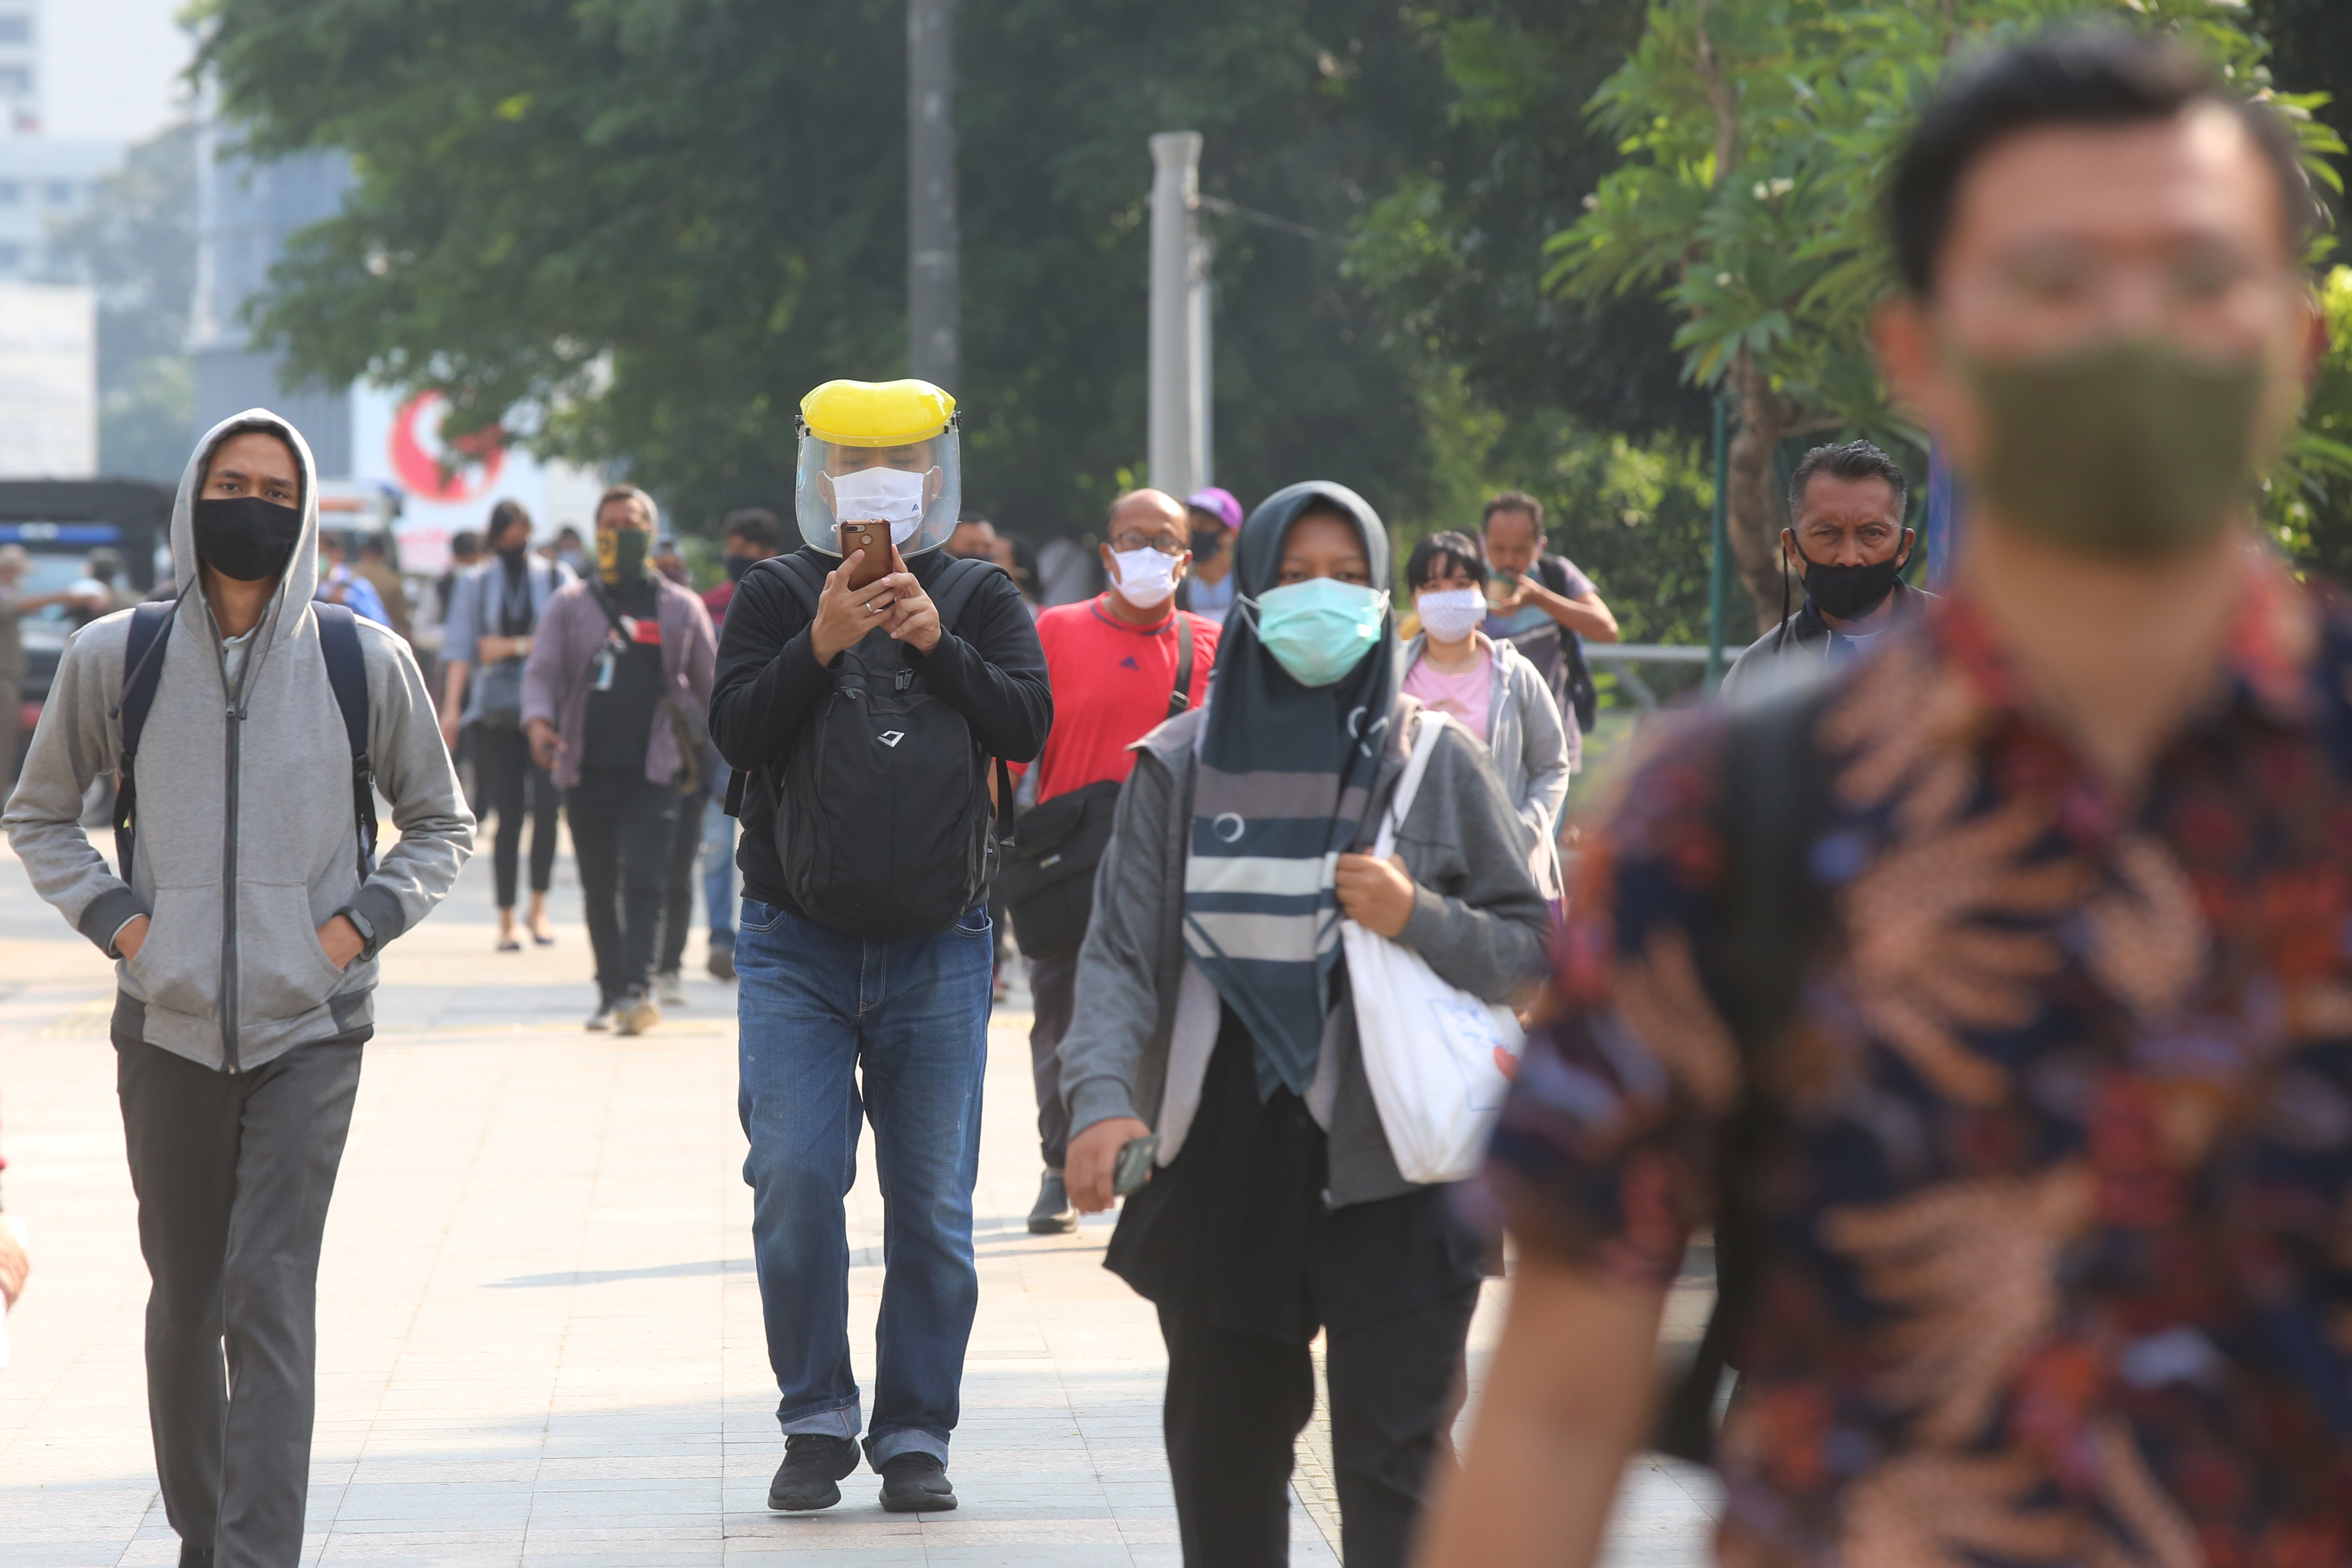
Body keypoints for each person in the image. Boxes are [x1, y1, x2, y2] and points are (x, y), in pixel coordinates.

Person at [1419, 27, 2352, 1567]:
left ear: (2290, 343)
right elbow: (1557, 1411)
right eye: (2052, 281)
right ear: (1924, 348)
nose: (2126, 335)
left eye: (2193, 279)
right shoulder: (1733, 817)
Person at [2, 410, 473, 1568]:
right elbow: (39, 811)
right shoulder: (120, 653)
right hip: (163, 1024)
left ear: (303, 507)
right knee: (186, 1297)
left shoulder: (367, 659)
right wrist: (126, 926)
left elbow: (440, 821)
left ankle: (258, 1554)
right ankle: (205, 1532)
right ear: (193, 499)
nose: (251, 502)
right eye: (231, 481)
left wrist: (348, 932)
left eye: (274, 485)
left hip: (311, 1024)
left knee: (269, 1291)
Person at [1058, 483, 1548, 1567]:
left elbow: (1532, 949)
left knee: (1397, 1465)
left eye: (1344, 577)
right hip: (1224, 1152)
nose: (1318, 599)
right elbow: (1120, 960)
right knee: (1225, 1464)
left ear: (1382, 596)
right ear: (1250, 593)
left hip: (1401, 1164)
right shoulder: (1179, 765)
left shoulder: (1432, 760)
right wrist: (1099, 1103)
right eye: (1292, 576)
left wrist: (1416, 913)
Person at [711, 377, 1049, 1516]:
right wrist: (819, 640)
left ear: (937, 477)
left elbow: (1025, 724)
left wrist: (937, 643)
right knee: (795, 1174)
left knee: (932, 1205)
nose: (877, 480)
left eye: (898, 461)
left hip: (940, 942)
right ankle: (815, 1415)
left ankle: (915, 1428)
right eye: (853, 460)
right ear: (817, 475)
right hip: (793, 939)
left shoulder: (981, 593)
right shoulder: (770, 593)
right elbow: (734, 731)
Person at [1011, 487, 1218, 1236]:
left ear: (1186, 558)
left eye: (1162, 541)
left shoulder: (1213, 644)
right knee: (1063, 1016)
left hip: (1177, 869)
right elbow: (1012, 747)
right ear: (1106, 553)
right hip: (1070, 865)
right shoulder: (1055, 631)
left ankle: (1163, 1160)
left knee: (1178, 1013)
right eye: (1131, 539)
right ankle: (1060, 1163)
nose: (1146, 554)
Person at [523, 485, 716, 1034]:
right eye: (607, 524)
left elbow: (714, 688)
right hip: (585, 769)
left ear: (649, 534)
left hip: (657, 770)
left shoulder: (681, 607)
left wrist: (737, 762)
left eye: (629, 523)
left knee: (647, 882)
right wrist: (538, 721)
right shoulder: (570, 603)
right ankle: (609, 989)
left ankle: (638, 988)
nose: (617, 533)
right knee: (598, 884)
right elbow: (541, 673)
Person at [1397, 530, 1572, 903]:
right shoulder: (1389, 677)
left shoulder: (1515, 675)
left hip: (1501, 872)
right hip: (1410, 871)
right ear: (1414, 598)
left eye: (1461, 584)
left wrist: (1522, 832)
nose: (1448, 596)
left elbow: (1551, 767)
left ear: (1481, 590)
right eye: (1433, 586)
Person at [442, 500, 573, 950]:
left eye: (523, 533)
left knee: (548, 811)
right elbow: (463, 649)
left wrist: (506, 646)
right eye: (509, 534)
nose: (516, 542)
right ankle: (505, 919)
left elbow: (568, 647)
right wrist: (451, 710)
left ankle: (538, 908)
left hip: (546, 713)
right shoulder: (474, 583)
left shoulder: (557, 578)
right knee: (507, 816)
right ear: (496, 536)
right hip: (494, 715)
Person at [1719, 439, 1936, 699]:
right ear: (1792, 548)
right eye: (1827, 533)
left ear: (1903, 547)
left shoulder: (1966, 652)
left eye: (1872, 533)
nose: (1849, 557)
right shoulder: (1757, 675)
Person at [700, 508, 785, 980]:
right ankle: (719, 935)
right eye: (731, 548)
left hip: (770, 752)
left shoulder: (788, 604)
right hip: (719, 750)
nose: (735, 558)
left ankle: (760, 929)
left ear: (767, 553)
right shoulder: (708, 605)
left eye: (745, 549)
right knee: (715, 847)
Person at [1479, 491, 1617, 769]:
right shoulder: (1467, 581)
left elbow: (1608, 630)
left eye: (1520, 550)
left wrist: (1539, 598)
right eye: (1498, 549)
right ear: (1483, 544)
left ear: (1539, 547)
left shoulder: (1557, 576)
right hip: (1487, 742)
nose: (1508, 559)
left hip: (1554, 744)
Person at [0, 544, 84, 788]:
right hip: (2, 679)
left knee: (8, 743)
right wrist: (61, 596)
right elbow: (14, 608)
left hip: (10, 679)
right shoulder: (5, 594)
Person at [1175, 485, 1243, 620]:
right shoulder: (1175, 593)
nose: (1194, 533)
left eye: (1203, 524)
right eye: (1190, 526)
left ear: (1231, 534)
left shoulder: (1249, 591)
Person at [315, 532, 393, 629]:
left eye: (321, 553)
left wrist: (348, 600)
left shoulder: (356, 585)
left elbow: (380, 624)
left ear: (337, 554)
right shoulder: (307, 588)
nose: (316, 558)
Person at [354, 535, 414, 640]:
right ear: (383, 554)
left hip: (354, 638)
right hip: (384, 640)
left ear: (363, 552)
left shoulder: (351, 575)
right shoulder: (392, 580)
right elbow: (402, 622)